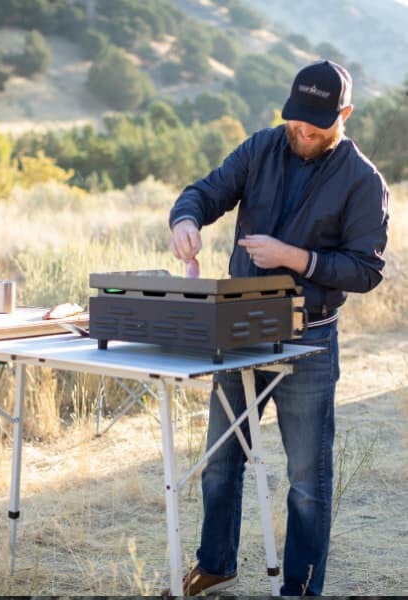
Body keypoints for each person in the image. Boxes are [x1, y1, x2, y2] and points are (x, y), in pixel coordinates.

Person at [166, 60, 389, 596]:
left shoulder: (364, 180)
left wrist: (297, 258)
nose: (303, 133)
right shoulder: (260, 147)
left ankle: (301, 586)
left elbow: (366, 270)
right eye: (296, 122)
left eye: (316, 125)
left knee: (306, 481)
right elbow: (205, 191)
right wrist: (186, 219)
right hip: (240, 327)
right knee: (220, 462)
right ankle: (216, 564)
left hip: (309, 341)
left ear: (345, 115)